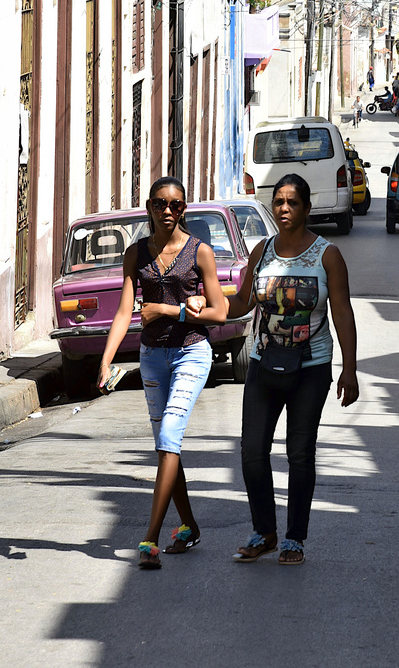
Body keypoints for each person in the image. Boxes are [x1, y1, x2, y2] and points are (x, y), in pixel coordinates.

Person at [228, 174, 359, 566]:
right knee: (252, 452)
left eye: (293, 202)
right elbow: (240, 305)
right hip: (264, 365)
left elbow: (342, 313)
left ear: (306, 208)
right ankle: (264, 532)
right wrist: (199, 299)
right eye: (279, 201)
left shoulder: (327, 255)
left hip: (311, 368)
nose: (284, 208)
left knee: (299, 453)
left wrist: (348, 370)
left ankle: (294, 538)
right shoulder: (261, 251)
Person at [98, 176, 227, 569]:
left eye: (176, 205)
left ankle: (149, 540)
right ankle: (188, 526)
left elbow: (220, 313)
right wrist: (106, 360)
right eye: (160, 204)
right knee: (166, 446)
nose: (168, 211)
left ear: (184, 208)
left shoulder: (200, 252)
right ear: (150, 208)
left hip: (191, 353)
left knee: (170, 435)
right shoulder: (136, 253)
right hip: (152, 356)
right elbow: (124, 312)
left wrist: (169, 310)